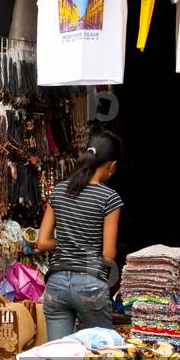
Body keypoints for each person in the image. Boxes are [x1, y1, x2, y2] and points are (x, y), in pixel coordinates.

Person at [35, 131, 124, 340]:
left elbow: (42, 242)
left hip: (56, 282)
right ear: (111, 165)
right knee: (100, 356)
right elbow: (108, 254)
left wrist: (67, 242)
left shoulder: (59, 191)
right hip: (89, 281)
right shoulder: (109, 197)